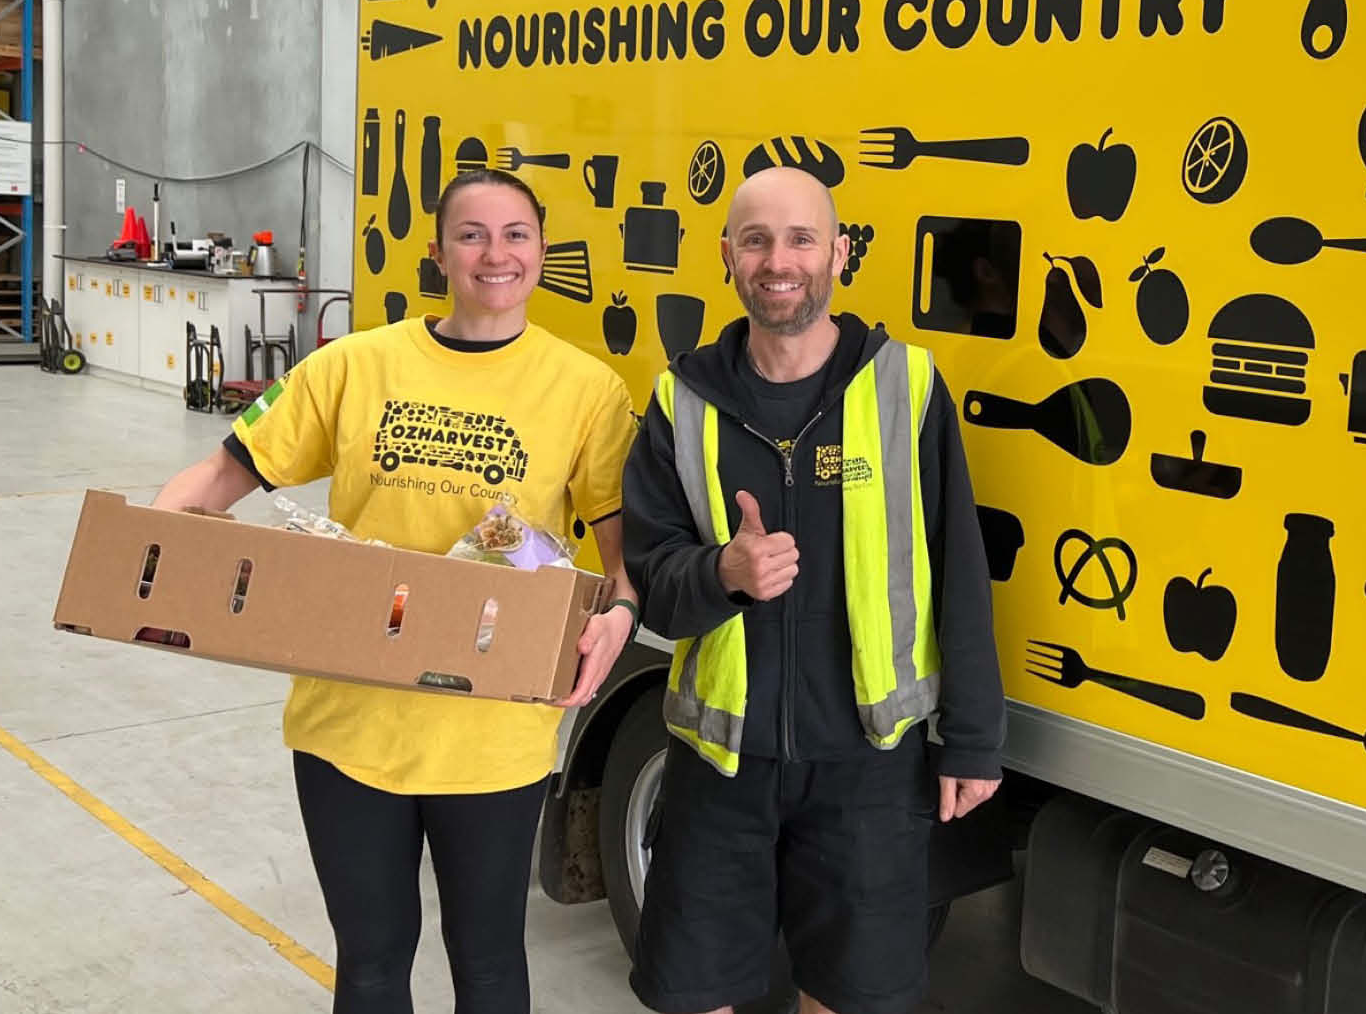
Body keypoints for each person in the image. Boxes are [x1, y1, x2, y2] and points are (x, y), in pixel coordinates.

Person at [150, 168, 640, 1014]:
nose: (496, 254)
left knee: (487, 959)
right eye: (472, 234)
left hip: (493, 731)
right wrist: (151, 546)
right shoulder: (350, 366)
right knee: (372, 960)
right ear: (438, 251)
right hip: (350, 723)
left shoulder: (587, 388)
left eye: (516, 235)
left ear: (543, 252)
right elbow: (224, 474)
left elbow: (620, 550)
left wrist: (621, 615)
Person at [624, 166, 1005, 1014]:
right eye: (756, 240)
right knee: (694, 993)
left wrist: (974, 738)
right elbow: (651, 583)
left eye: (801, 238)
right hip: (721, 763)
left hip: (867, 766)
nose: (778, 260)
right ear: (727, 257)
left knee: (851, 996)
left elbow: (959, 568)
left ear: (839, 252)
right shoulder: (680, 402)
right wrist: (722, 573)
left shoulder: (907, 387)